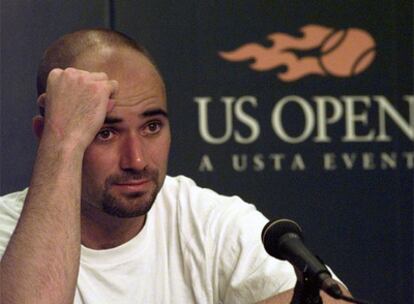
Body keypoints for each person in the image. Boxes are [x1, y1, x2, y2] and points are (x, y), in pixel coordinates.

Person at [0, 28, 349, 303]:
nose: (136, 160)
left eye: (152, 127)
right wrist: (61, 142)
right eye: (105, 132)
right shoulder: (8, 230)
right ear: (48, 136)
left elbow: (331, 301)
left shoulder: (205, 219)